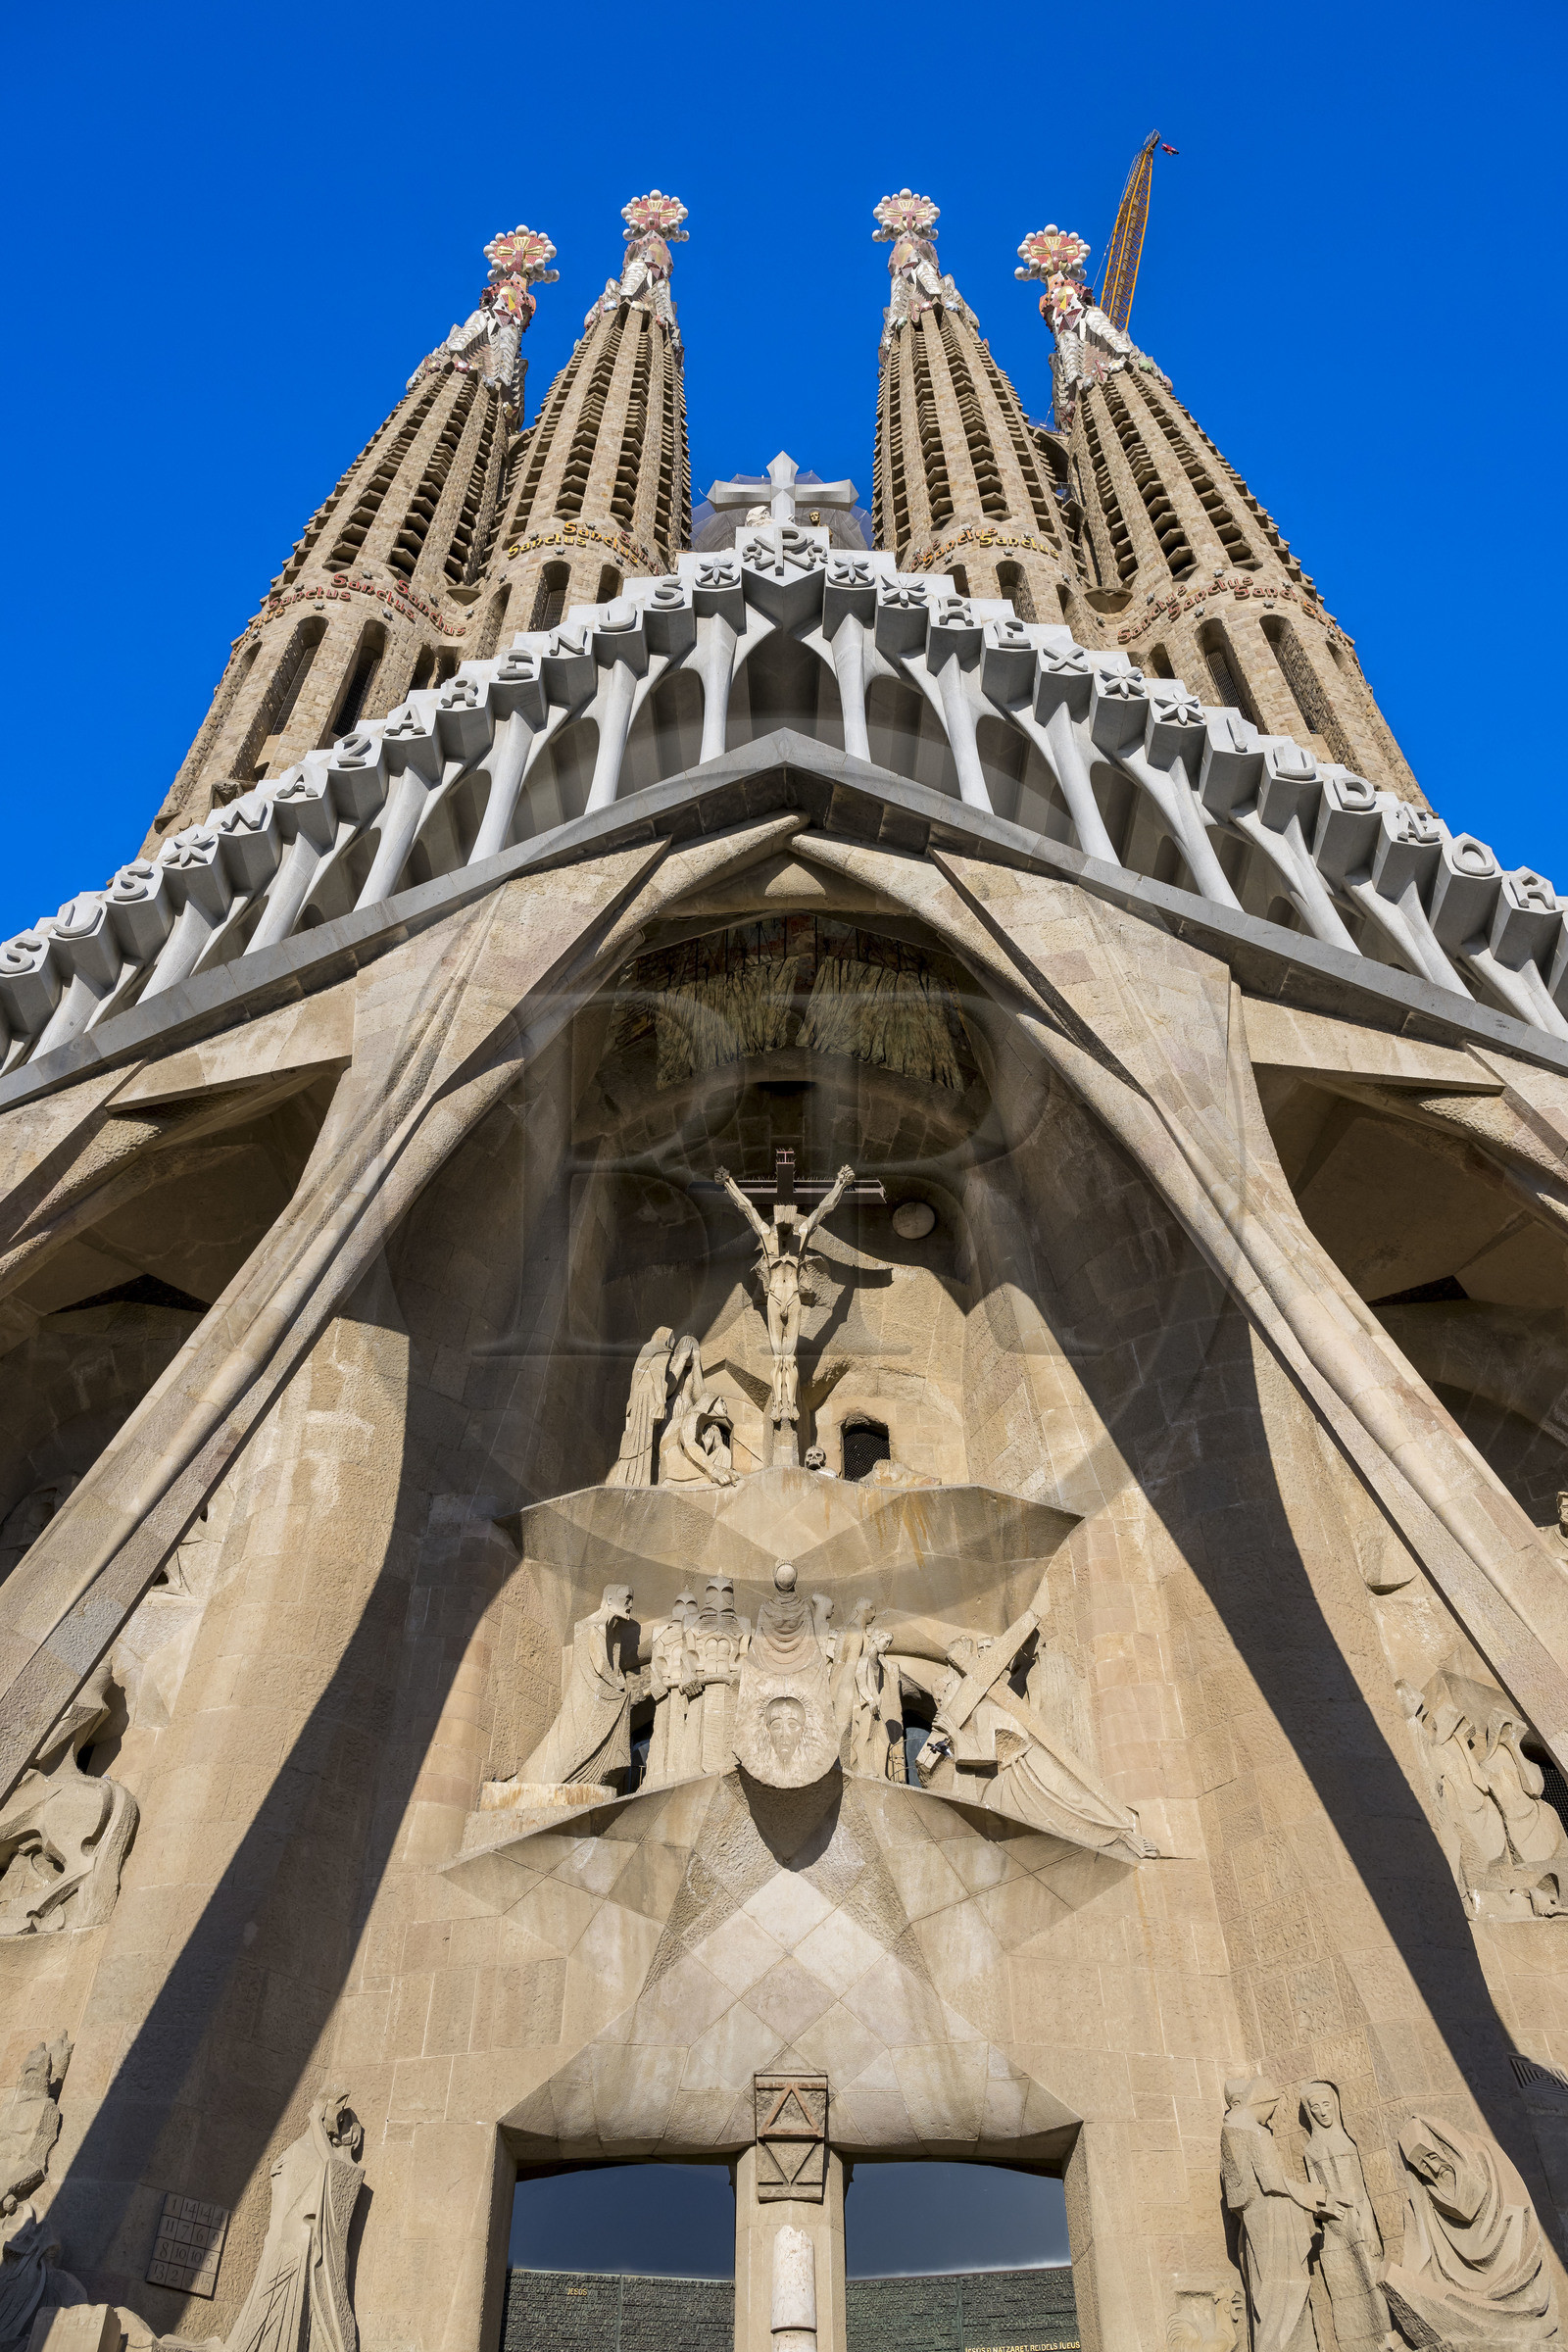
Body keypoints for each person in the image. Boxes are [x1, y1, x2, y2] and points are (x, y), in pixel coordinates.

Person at [713, 1165, 857, 1427]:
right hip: (774, 1298)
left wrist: (840, 1185)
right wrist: (728, 1183)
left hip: (792, 1297)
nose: (784, 1234)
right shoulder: (768, 1237)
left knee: (788, 1358)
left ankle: (789, 1405)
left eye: (787, 1230)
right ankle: (778, 1405)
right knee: (778, 1357)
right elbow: (747, 1209)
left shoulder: (800, 1239)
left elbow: (822, 1210)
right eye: (782, 1229)